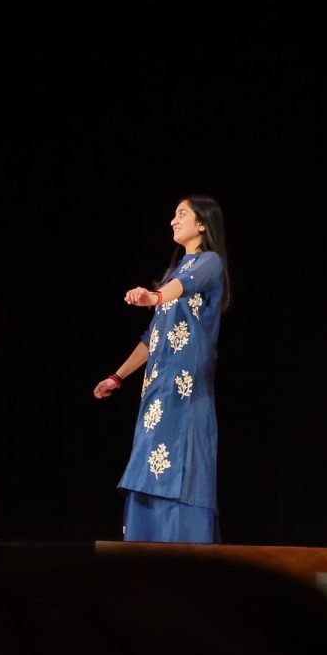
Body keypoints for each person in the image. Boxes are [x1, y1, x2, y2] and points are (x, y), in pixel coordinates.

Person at [93, 196, 229, 543]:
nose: (173, 220)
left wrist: (153, 297)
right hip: (157, 392)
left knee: (180, 467)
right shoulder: (173, 275)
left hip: (186, 390)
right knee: (147, 465)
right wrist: (117, 376)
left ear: (203, 224)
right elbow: (152, 337)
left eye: (181, 214)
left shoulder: (210, 262)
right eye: (173, 215)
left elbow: (180, 289)